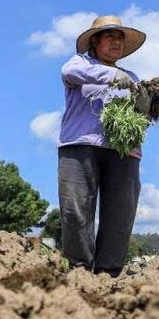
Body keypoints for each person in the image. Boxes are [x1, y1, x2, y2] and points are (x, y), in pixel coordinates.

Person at [57, 15, 150, 277]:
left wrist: (149, 102)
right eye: (110, 36)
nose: (116, 42)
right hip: (80, 146)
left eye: (120, 38)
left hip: (123, 152)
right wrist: (112, 75)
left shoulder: (131, 77)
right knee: (76, 209)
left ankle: (109, 274)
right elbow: (68, 73)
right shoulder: (80, 64)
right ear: (94, 42)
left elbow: (139, 114)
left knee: (120, 212)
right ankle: (80, 272)